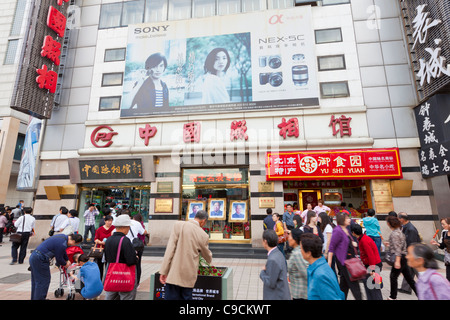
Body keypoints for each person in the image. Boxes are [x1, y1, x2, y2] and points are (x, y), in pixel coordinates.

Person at [159, 210, 212, 300]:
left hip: (174, 273)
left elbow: (170, 250)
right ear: (203, 221)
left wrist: (163, 271)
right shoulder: (203, 235)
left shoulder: (178, 225)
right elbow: (207, 257)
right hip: (189, 275)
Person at [29, 233, 83, 300]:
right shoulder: (62, 243)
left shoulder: (62, 237)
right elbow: (59, 259)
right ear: (74, 241)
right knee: (43, 281)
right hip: (40, 259)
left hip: (35, 256)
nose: (72, 245)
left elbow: (62, 252)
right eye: (75, 244)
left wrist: (67, 259)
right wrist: (65, 264)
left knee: (37, 281)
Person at [328, 212, 363, 300]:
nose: (349, 220)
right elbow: (332, 247)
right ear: (342, 220)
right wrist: (329, 261)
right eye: (347, 218)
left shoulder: (346, 229)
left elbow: (344, 242)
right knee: (354, 285)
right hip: (345, 261)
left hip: (348, 259)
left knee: (344, 285)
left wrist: (352, 243)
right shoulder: (338, 230)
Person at [300, 233, 345, 300]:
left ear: (309, 253)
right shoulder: (319, 267)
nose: (300, 251)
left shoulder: (320, 275)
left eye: (301, 248)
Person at [104, 214, 138, 300]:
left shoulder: (109, 239)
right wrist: (136, 258)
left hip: (111, 273)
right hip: (124, 275)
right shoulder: (125, 240)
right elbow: (130, 260)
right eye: (128, 227)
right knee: (127, 296)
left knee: (110, 297)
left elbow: (106, 257)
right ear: (125, 227)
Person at [384, 215, 417, 300]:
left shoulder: (395, 233)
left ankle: (393, 296)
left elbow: (398, 249)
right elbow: (401, 245)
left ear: (389, 224)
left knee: (393, 276)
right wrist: (390, 244)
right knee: (409, 278)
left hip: (399, 257)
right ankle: (421, 294)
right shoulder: (399, 232)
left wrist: (397, 261)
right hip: (403, 256)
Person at [351, 223, 383, 300]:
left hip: (373, 265)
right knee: (373, 286)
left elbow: (370, 255)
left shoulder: (364, 240)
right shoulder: (363, 238)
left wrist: (372, 269)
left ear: (353, 233)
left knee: (372, 287)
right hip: (374, 264)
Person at [259, 229, 291, 300]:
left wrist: (262, 273)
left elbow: (270, 283)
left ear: (265, 241)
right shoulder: (278, 253)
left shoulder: (272, 259)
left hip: (276, 296)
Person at [398, 212, 421, 294]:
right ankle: (406, 288)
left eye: (398, 218)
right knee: (408, 271)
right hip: (409, 253)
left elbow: (412, 243)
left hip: (413, 253)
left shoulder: (411, 229)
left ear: (402, 219)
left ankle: (429, 286)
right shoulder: (405, 227)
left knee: (418, 271)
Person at [287, 228, 308, 300]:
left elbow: (306, 273)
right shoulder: (298, 251)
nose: (288, 238)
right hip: (299, 293)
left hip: (301, 294)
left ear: (295, 239)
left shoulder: (297, 254)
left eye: (289, 236)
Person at [94, 215, 115, 280]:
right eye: (108, 221)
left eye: (111, 221)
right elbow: (96, 239)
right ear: (105, 221)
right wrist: (100, 242)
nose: (110, 222)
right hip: (101, 250)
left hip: (110, 249)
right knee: (100, 265)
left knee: (109, 265)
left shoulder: (114, 229)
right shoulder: (100, 229)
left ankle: (108, 279)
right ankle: (100, 279)